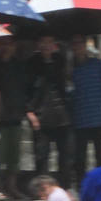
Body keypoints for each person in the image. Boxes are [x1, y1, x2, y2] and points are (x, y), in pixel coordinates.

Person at [26, 34, 72, 187]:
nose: (46, 45)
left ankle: (64, 187)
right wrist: (30, 112)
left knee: (65, 155)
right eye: (43, 42)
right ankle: (43, 189)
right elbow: (28, 89)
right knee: (41, 155)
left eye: (49, 42)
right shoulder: (32, 63)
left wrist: (51, 59)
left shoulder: (60, 60)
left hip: (61, 115)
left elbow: (63, 82)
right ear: (38, 44)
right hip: (41, 115)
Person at [68, 34, 101, 181]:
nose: (77, 46)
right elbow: (70, 93)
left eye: (80, 43)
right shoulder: (70, 69)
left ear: (85, 45)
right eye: (74, 43)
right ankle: (82, 186)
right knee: (80, 158)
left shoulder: (98, 64)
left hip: (99, 117)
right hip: (80, 118)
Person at [0, 35, 29, 198]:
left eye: (9, 44)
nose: (6, 47)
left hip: (16, 115)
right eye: (3, 44)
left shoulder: (20, 65)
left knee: (14, 156)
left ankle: (11, 186)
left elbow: (25, 88)